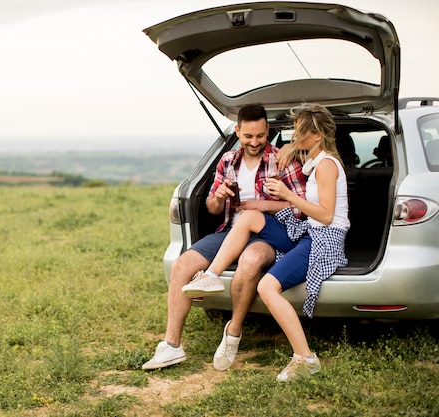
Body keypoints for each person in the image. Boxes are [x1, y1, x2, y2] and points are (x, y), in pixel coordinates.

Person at [142, 103, 307, 370]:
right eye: (248, 136)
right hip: (231, 230)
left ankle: (233, 332)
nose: (255, 142)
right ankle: (171, 346)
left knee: (251, 261)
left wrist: (262, 205)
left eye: (261, 136)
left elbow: (301, 205)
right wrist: (218, 197)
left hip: (269, 235)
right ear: (238, 131)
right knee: (183, 264)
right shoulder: (228, 160)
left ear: (268, 131)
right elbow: (212, 209)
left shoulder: (282, 160)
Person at [195, 103, 350, 381]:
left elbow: (326, 216)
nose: (293, 135)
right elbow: (292, 158)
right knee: (250, 216)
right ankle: (210, 275)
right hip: (309, 231)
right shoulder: (316, 160)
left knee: (267, 286)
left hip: (323, 240)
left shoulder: (326, 166)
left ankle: (305, 358)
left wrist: (287, 195)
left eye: (300, 131)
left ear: (317, 136)